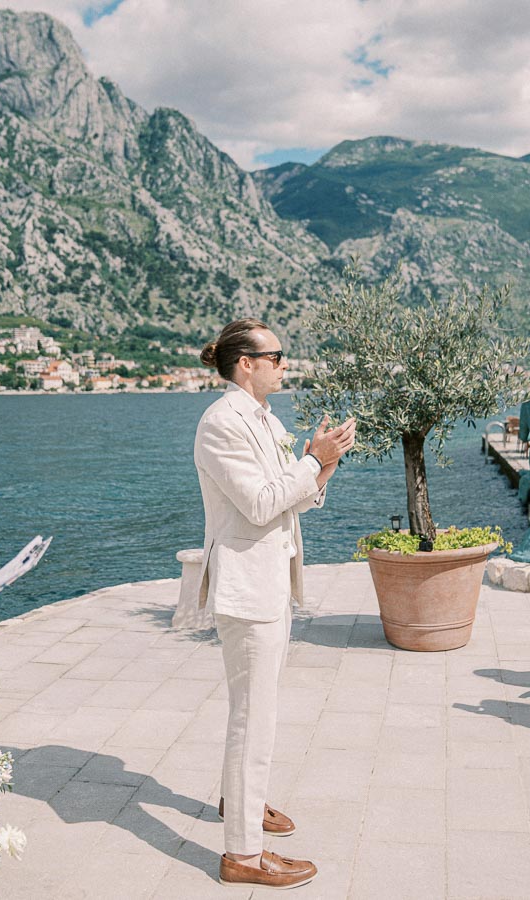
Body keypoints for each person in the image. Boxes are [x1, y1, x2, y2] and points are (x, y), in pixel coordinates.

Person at [175, 318, 355, 889]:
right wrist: (309, 461)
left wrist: (321, 465)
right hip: (247, 587)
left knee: (255, 709)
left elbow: (289, 500)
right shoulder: (219, 424)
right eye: (276, 355)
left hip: (271, 582)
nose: (285, 363)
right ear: (245, 364)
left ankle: (241, 802)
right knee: (255, 716)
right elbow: (257, 504)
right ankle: (243, 855)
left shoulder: (266, 419)